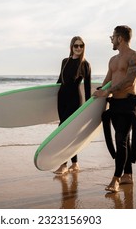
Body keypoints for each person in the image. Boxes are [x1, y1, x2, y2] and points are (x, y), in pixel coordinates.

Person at [93, 25, 136, 192]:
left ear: (120, 38)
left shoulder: (135, 57)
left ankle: (115, 179)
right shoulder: (113, 60)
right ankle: (128, 175)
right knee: (124, 140)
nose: (111, 40)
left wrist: (108, 91)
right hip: (115, 103)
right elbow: (108, 81)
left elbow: (129, 81)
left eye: (112, 37)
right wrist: (99, 94)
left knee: (121, 139)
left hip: (130, 103)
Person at [54, 36, 91, 175]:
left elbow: (87, 88)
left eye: (81, 46)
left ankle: (63, 165)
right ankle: (75, 164)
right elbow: (59, 81)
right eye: (76, 46)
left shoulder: (85, 64)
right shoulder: (65, 61)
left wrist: (88, 107)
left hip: (75, 101)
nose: (79, 48)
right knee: (69, 132)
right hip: (61, 99)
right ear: (71, 47)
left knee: (63, 131)